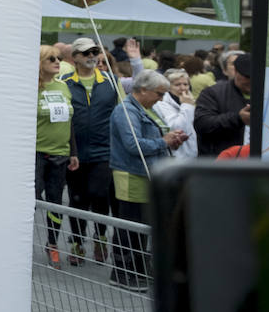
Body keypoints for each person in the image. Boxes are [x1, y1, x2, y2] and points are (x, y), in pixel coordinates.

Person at [109, 71, 185, 290]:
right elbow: (133, 146)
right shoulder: (125, 111)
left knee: (142, 225)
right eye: (159, 94)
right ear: (142, 90)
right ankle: (122, 272)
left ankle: (139, 268)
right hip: (132, 175)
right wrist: (164, 142)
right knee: (129, 225)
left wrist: (171, 141)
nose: (161, 99)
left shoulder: (146, 109)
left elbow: (154, 139)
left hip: (146, 173)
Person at [60, 37, 120, 266]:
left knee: (99, 194)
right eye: (86, 53)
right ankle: (77, 241)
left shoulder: (111, 81)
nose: (92, 56)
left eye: (95, 51)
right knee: (77, 199)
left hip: (104, 150)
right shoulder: (64, 81)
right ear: (74, 57)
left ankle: (101, 237)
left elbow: (121, 112)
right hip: (74, 151)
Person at [36, 45, 77, 268]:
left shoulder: (63, 87)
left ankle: (52, 243)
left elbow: (70, 122)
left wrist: (73, 152)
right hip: (36, 153)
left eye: (59, 58)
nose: (57, 61)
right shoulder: (31, 88)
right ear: (40, 63)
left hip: (60, 152)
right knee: (30, 201)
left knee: (56, 201)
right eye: (51, 58)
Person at [194, 52, 252, 156]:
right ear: (236, 72)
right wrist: (238, 118)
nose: (251, 81)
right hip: (221, 164)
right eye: (247, 76)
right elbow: (202, 124)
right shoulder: (213, 93)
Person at [154, 68, 197, 159]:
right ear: (168, 87)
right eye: (177, 85)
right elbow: (178, 128)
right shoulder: (162, 103)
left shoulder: (187, 100)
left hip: (190, 155)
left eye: (185, 84)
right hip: (175, 156)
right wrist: (186, 105)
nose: (182, 88)